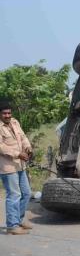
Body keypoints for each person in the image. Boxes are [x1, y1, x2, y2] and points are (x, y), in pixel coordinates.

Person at [0, 101, 33, 235]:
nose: (7, 115)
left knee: (26, 193)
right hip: (7, 167)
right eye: (4, 113)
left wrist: (28, 148)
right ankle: (12, 226)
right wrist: (18, 154)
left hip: (20, 165)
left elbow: (23, 137)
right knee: (14, 195)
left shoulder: (14, 122)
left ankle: (19, 220)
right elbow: (1, 147)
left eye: (9, 113)